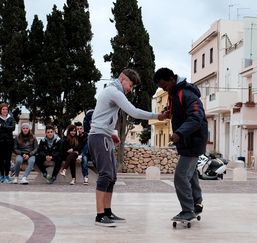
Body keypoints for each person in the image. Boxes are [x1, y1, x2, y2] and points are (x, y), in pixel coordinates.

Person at [88, 68, 165, 227]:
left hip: (104, 135)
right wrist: (157, 116)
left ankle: (107, 212)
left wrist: (112, 132)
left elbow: (104, 115)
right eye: (130, 85)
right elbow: (134, 112)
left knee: (112, 176)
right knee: (105, 175)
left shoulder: (112, 91)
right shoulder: (114, 92)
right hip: (99, 136)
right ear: (122, 79)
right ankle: (100, 215)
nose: (131, 89)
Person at [153, 67, 208, 222]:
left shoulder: (187, 94)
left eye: (164, 86)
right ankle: (197, 204)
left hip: (193, 140)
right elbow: (178, 111)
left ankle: (187, 210)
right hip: (188, 140)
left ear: (172, 79)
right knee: (190, 175)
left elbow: (196, 117)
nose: (164, 89)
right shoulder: (175, 94)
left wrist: (179, 133)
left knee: (180, 176)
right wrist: (168, 111)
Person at [0, 102, 16, 183]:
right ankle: (2, 176)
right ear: (0, 110)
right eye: (3, 109)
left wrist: (2, 126)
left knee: (7, 159)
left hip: (9, 141)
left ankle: (7, 176)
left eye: (6, 109)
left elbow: (12, 128)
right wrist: (7, 129)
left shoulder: (11, 118)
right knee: (1, 159)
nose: (5, 110)